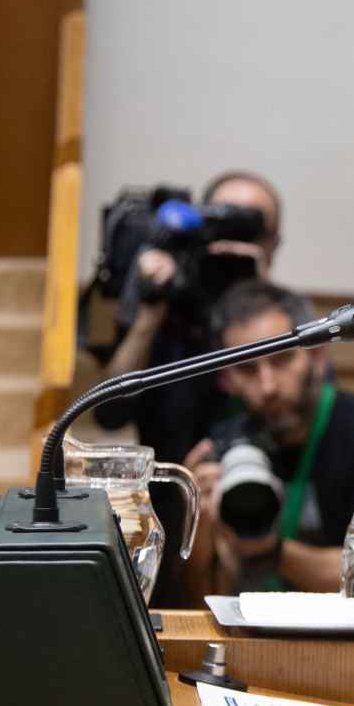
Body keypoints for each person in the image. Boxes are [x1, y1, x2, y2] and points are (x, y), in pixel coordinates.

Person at [182, 279, 354, 599]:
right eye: (246, 369)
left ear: (317, 356)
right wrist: (200, 527)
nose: (268, 386)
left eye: (282, 360)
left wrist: (271, 552)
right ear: (225, 379)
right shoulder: (228, 445)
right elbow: (205, 600)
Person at [91, 170, 282, 606]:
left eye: (250, 226)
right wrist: (150, 311)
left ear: (273, 243)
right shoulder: (169, 304)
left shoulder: (285, 323)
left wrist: (258, 298)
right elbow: (109, 412)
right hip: (166, 518)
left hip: (260, 514)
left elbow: (294, 413)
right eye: (222, 221)